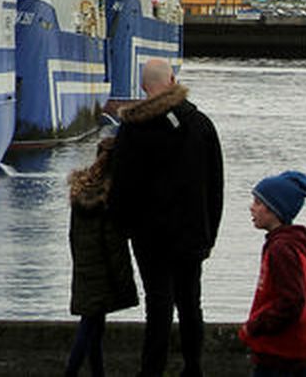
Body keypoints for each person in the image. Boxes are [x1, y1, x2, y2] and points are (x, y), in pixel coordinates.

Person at [109, 57, 225, 377]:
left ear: (144, 87)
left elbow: (122, 187)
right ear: (172, 80)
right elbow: (215, 184)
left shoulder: (133, 130)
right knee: (190, 303)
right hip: (191, 233)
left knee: (158, 304)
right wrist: (209, 232)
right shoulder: (200, 124)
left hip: (150, 237)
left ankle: (152, 370)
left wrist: (125, 227)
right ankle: (193, 368)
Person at [66, 137, 139, 377]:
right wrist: (124, 282)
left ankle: (98, 373)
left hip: (85, 269)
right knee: (89, 328)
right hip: (104, 273)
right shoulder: (110, 198)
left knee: (94, 327)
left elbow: (72, 236)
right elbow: (114, 246)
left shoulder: (81, 192)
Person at [238, 170, 306, 376]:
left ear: (274, 209)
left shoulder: (281, 249)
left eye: (257, 202)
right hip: (291, 351)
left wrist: (256, 326)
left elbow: (292, 300)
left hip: (282, 354)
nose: (251, 208)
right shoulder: (289, 245)